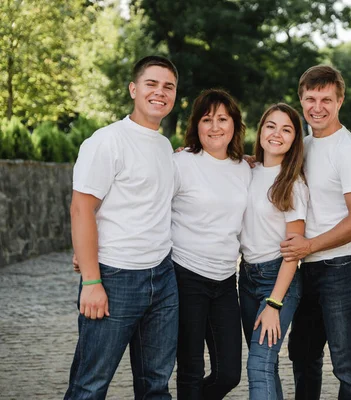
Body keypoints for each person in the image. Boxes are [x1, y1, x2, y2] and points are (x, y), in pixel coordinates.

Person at [65, 56, 179, 399]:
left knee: (156, 386)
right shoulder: (107, 141)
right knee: (90, 385)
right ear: (133, 89)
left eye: (168, 87)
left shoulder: (163, 145)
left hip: (162, 276)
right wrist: (91, 279)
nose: (160, 92)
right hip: (116, 277)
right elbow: (81, 208)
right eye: (151, 84)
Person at [281, 65, 351, 399]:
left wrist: (309, 246)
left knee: (348, 366)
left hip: (343, 268)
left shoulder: (348, 149)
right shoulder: (302, 146)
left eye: (326, 99)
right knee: (303, 356)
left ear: (340, 101)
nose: (317, 107)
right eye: (310, 99)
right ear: (301, 100)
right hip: (308, 269)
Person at [171, 89, 251, 399]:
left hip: (225, 280)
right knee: (190, 369)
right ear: (196, 125)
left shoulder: (244, 168)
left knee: (228, 373)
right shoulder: (180, 162)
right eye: (207, 119)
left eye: (222, 119)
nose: (215, 127)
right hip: (185, 275)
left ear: (234, 125)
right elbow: (147, 206)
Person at [239, 103, 308, 400]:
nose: (277, 134)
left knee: (258, 366)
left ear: (295, 140)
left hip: (278, 279)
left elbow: (294, 251)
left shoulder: (292, 183)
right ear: (260, 129)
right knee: (266, 365)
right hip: (247, 278)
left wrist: (274, 303)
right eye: (271, 126)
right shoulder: (246, 170)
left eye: (286, 129)